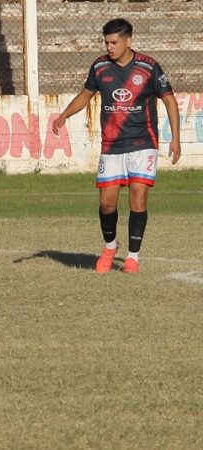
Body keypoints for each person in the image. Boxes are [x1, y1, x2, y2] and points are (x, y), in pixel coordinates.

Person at [52, 18, 181, 274]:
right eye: (106, 42)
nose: (109, 47)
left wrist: (175, 138)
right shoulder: (100, 67)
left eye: (114, 42)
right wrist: (65, 114)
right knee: (107, 203)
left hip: (143, 142)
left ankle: (133, 256)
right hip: (112, 145)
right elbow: (86, 94)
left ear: (128, 41)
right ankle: (110, 246)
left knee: (138, 198)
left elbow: (169, 100)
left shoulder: (149, 67)